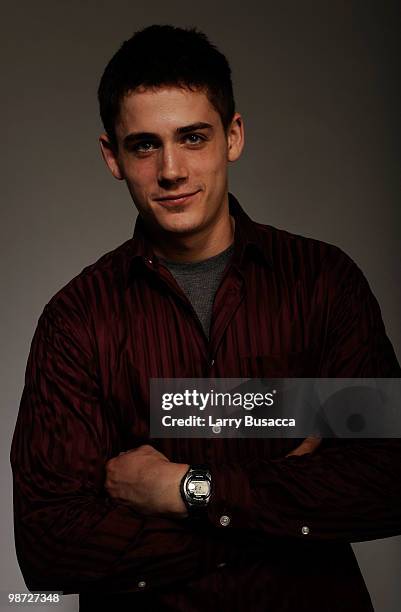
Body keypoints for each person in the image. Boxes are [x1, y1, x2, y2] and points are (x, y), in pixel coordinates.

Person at [11, 24, 401, 612]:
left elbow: (385, 481)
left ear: (233, 137)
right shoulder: (76, 320)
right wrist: (267, 512)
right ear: (111, 157)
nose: (171, 170)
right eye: (145, 145)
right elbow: (50, 547)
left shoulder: (323, 281)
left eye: (193, 137)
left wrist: (187, 490)